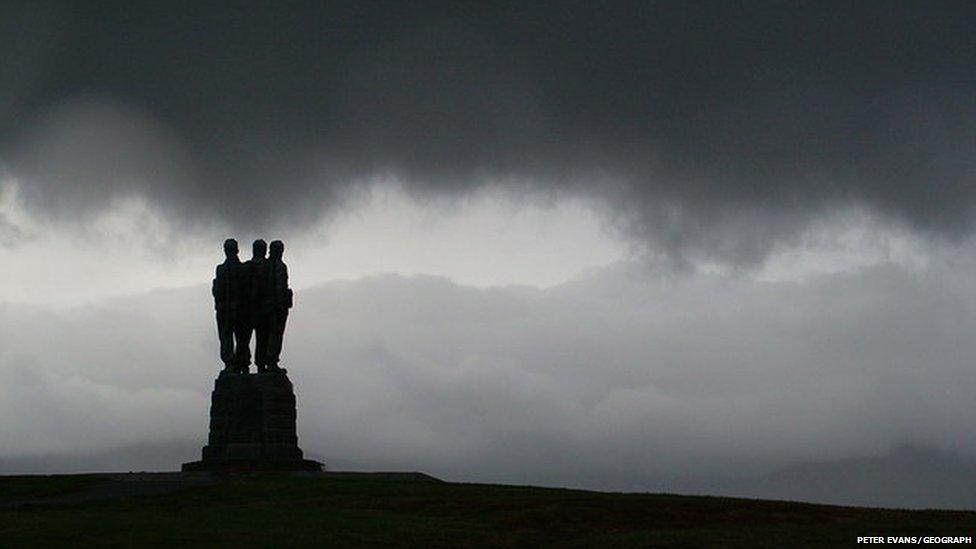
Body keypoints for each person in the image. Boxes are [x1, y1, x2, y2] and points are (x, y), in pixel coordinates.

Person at [212, 238, 249, 372]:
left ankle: (241, 364)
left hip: (239, 309)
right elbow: (218, 291)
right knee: (229, 338)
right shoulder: (221, 269)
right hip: (226, 309)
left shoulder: (243, 269)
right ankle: (232, 364)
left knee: (241, 339)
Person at [244, 239, 273, 373]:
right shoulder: (269, 267)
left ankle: (244, 365)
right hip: (261, 309)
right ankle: (260, 365)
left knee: (245, 339)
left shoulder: (246, 267)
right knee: (262, 339)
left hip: (249, 309)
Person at [265, 240, 293, 372]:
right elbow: (280, 287)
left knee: (265, 335)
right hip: (276, 307)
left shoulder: (266, 265)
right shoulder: (280, 266)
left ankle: (266, 362)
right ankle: (271, 362)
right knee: (275, 334)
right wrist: (283, 304)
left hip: (268, 306)